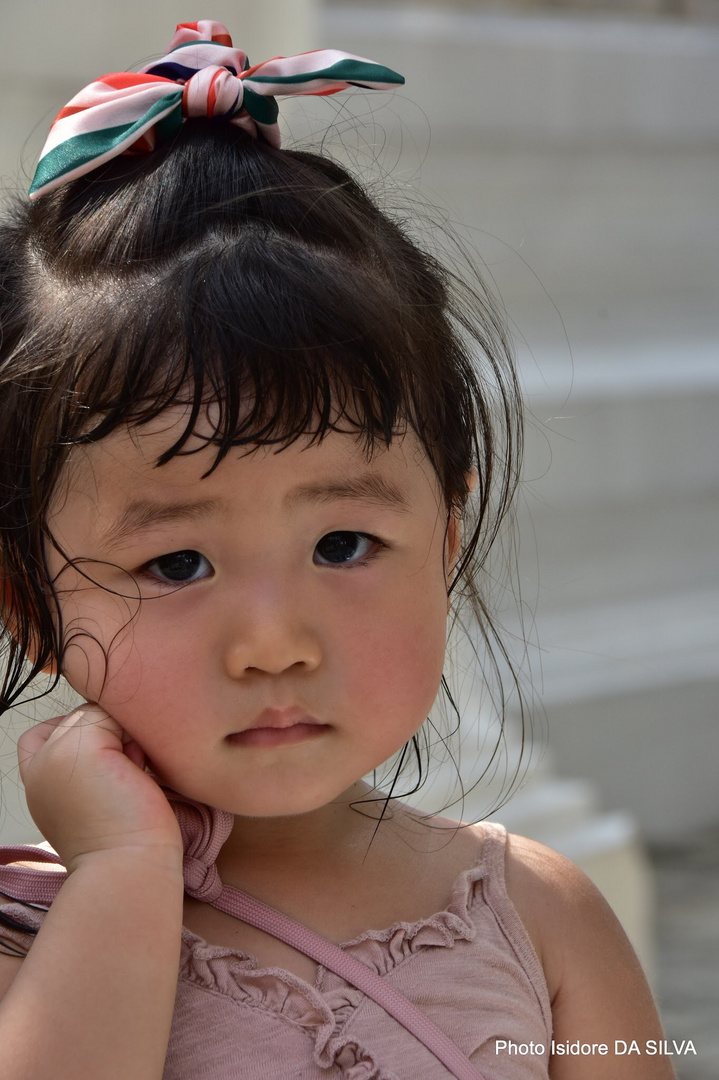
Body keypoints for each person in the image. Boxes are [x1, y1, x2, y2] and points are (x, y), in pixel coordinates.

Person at [0, 20, 673, 1080]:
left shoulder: (538, 915)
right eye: (177, 564)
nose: (274, 645)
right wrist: (125, 875)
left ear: (443, 540)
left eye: (345, 541)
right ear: (30, 605)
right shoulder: (27, 946)